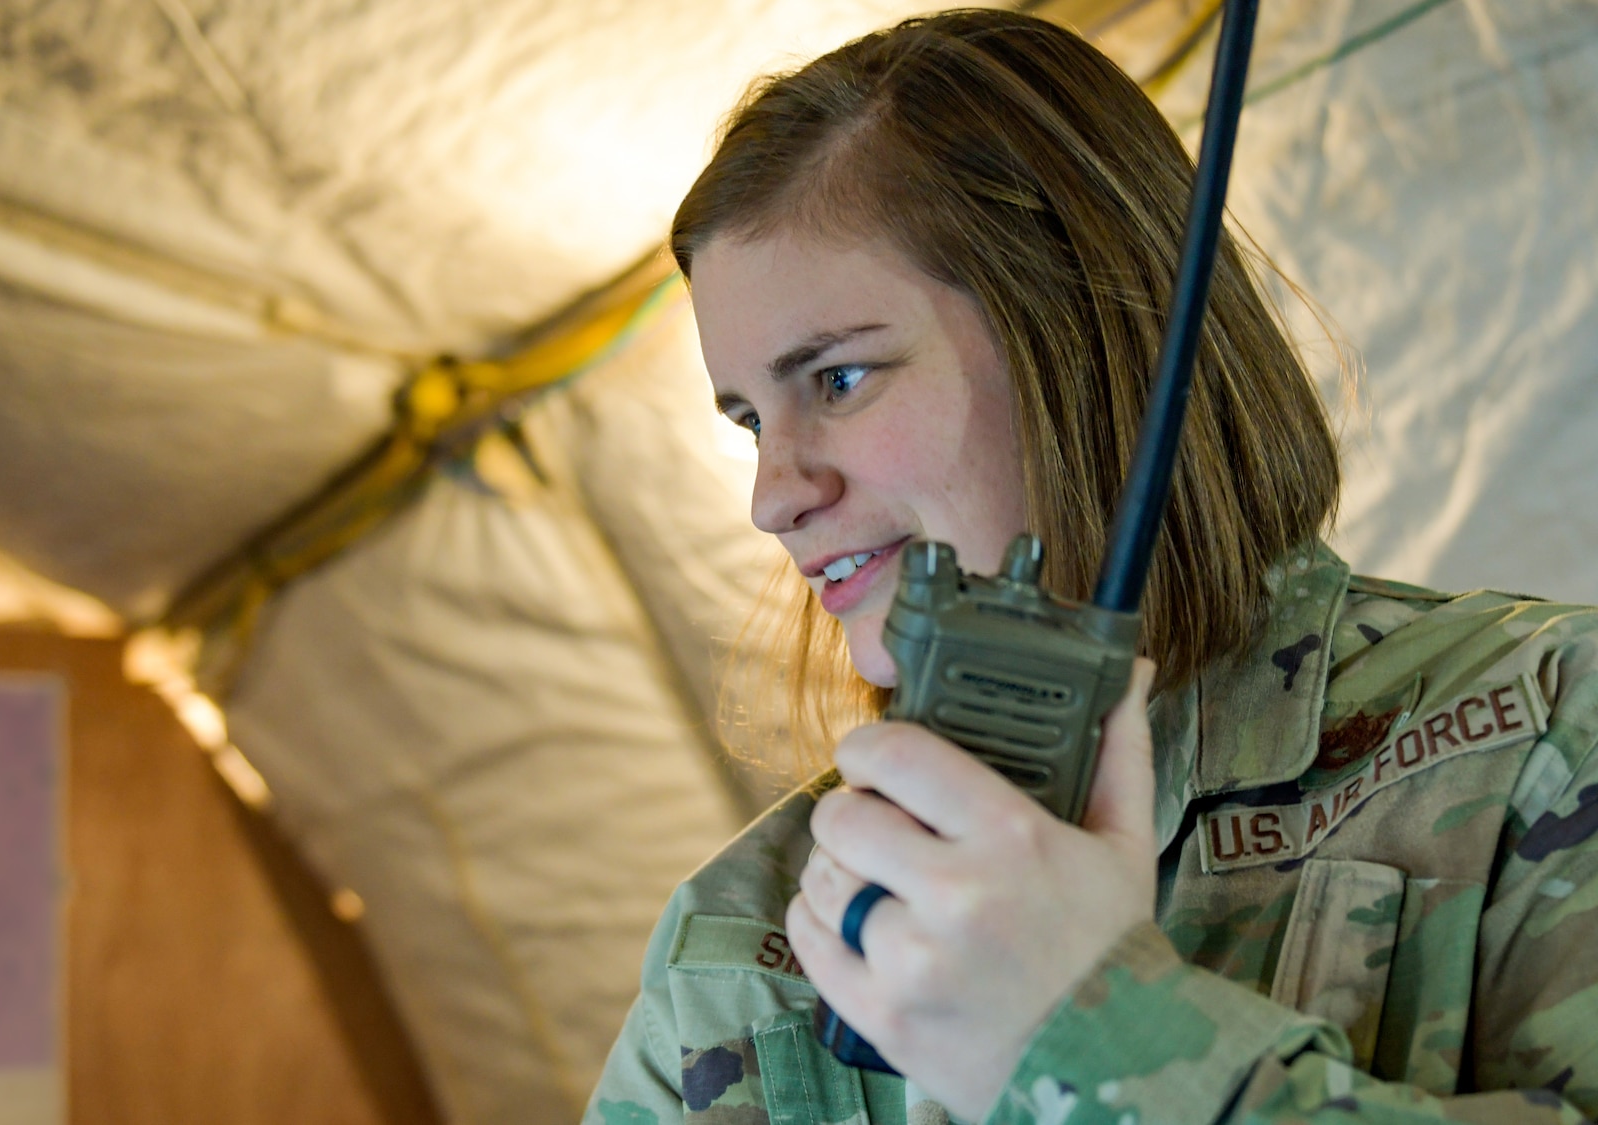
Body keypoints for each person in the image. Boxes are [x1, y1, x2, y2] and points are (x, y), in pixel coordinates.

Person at [585, 9, 1598, 1125]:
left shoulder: (1547, 733)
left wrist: (1084, 1032)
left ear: (1080, 342)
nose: (771, 496)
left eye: (835, 381)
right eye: (747, 420)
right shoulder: (733, 942)